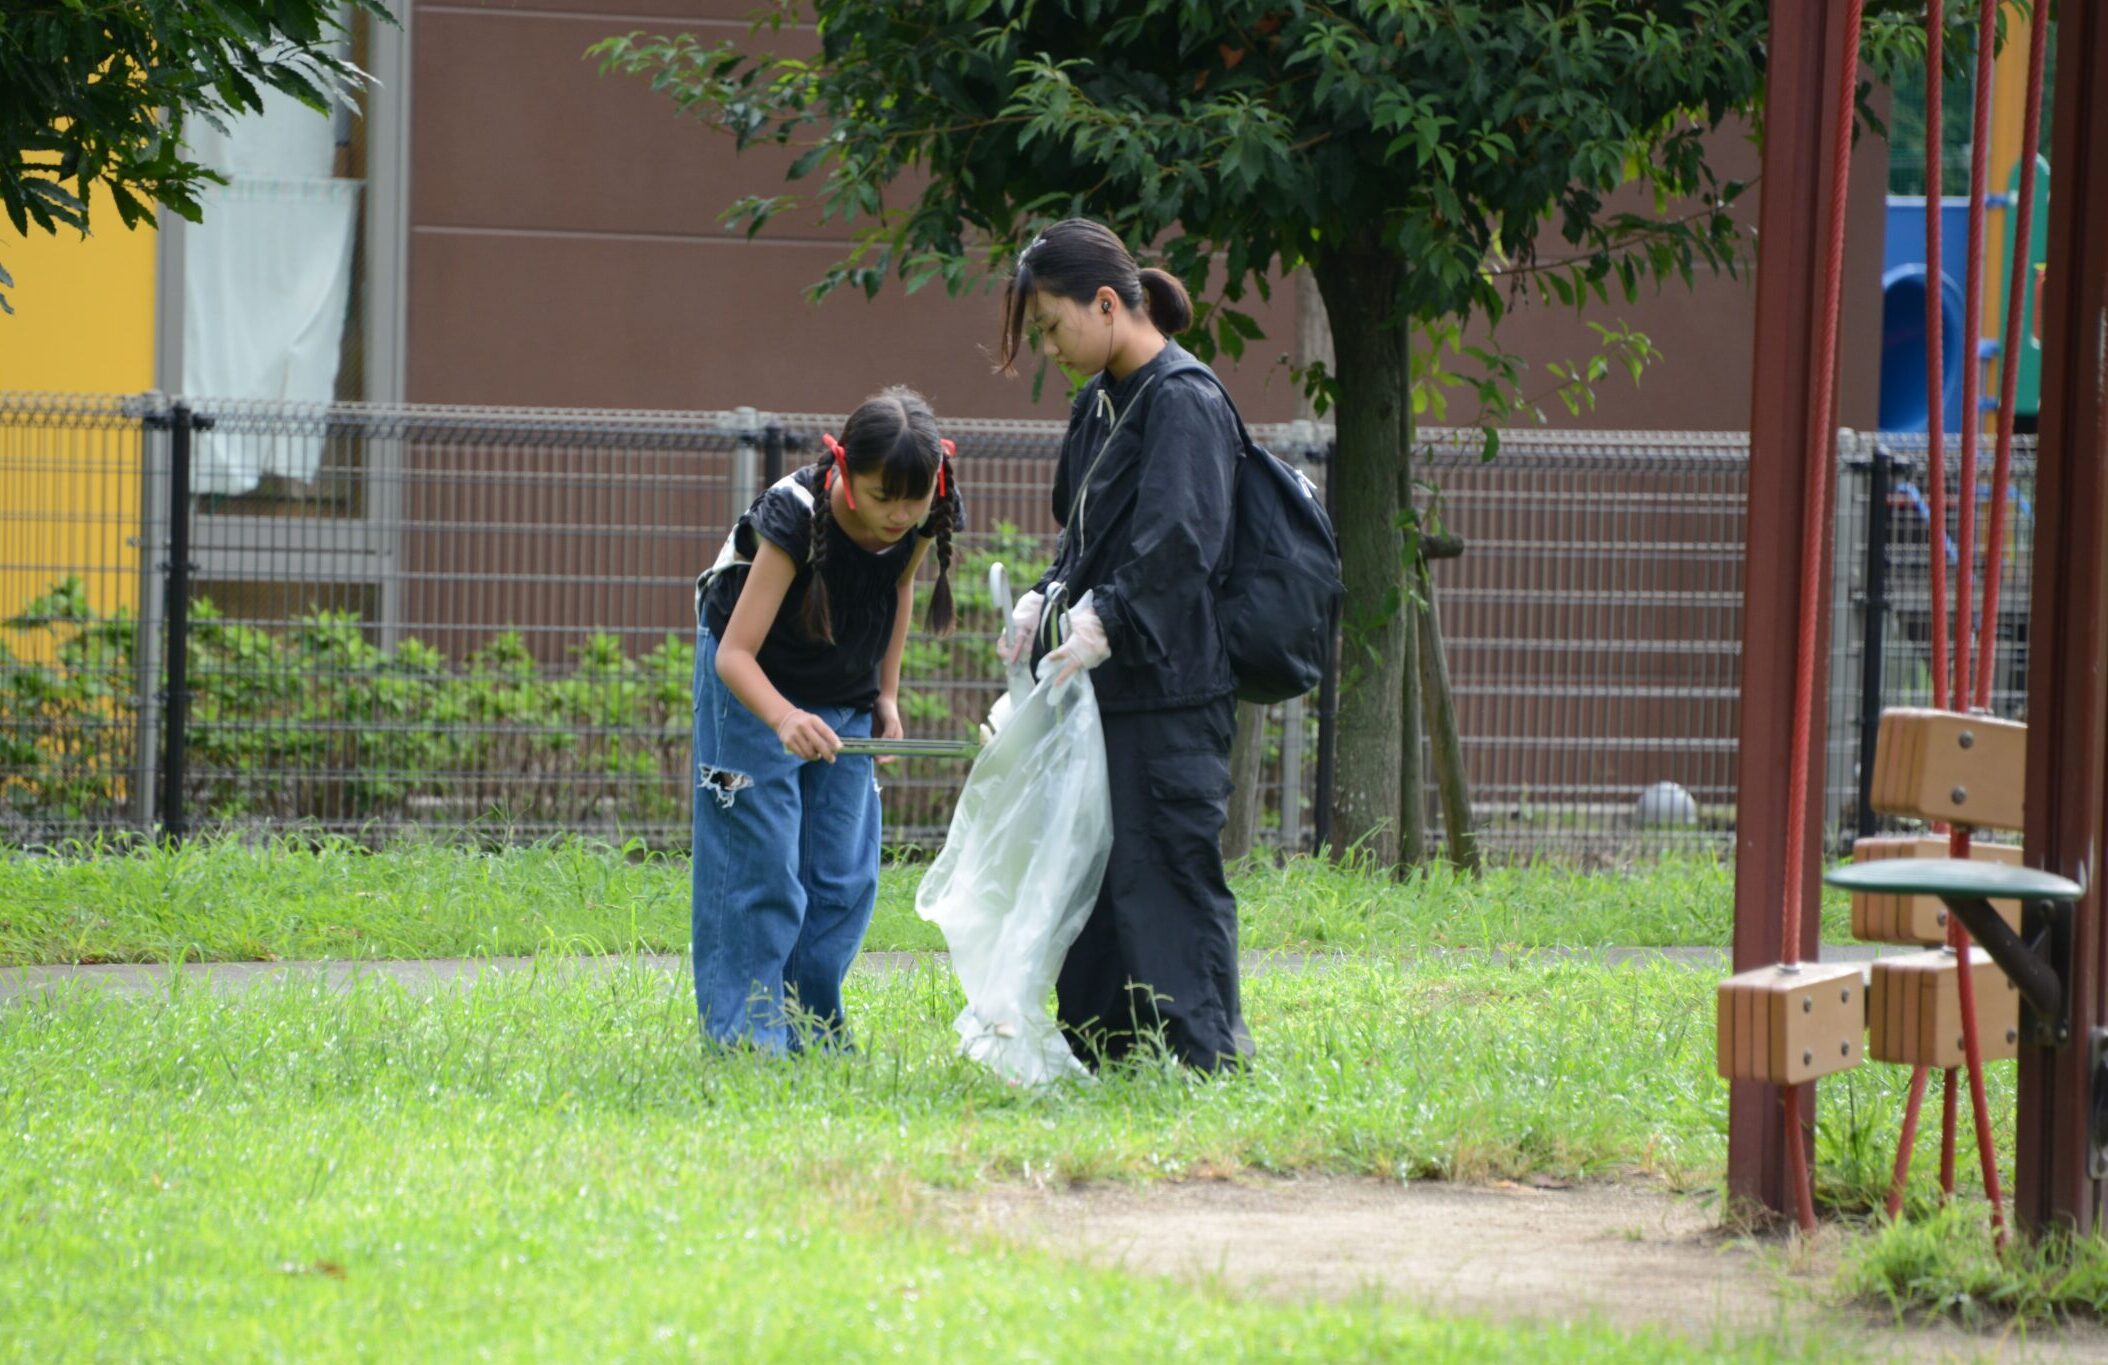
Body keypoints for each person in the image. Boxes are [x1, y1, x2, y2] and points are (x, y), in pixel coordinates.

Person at [995, 218, 1253, 1073]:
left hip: (1171, 693)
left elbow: (1182, 539)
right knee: (1095, 875)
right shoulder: (1098, 403)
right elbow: (1084, 538)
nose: (1048, 346)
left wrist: (1108, 618)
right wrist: (1045, 595)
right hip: (1101, 693)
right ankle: (1102, 1056)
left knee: (1169, 872)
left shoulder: (1185, 398)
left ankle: (1208, 1063)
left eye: (1051, 325)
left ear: (1106, 303)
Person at [690, 386, 961, 1051]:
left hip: (845, 689)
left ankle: (810, 1028)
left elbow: (898, 586)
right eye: (881, 497)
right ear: (842, 469)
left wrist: (885, 696)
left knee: (842, 875)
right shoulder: (792, 517)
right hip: (754, 690)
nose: (899, 514)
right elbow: (735, 654)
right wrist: (783, 719)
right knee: (762, 869)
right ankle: (749, 1040)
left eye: (914, 499)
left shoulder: (925, 504)